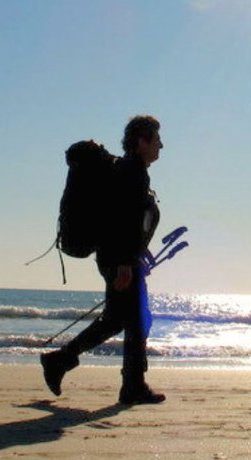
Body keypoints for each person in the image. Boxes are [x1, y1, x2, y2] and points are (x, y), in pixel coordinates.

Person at [40, 115, 165, 404]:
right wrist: (124, 262)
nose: (161, 145)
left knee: (118, 320)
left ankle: (62, 361)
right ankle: (130, 385)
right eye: (157, 139)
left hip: (119, 257)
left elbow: (131, 223)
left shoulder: (130, 170)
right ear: (141, 140)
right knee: (129, 321)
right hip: (118, 259)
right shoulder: (132, 172)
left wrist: (136, 252)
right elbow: (121, 221)